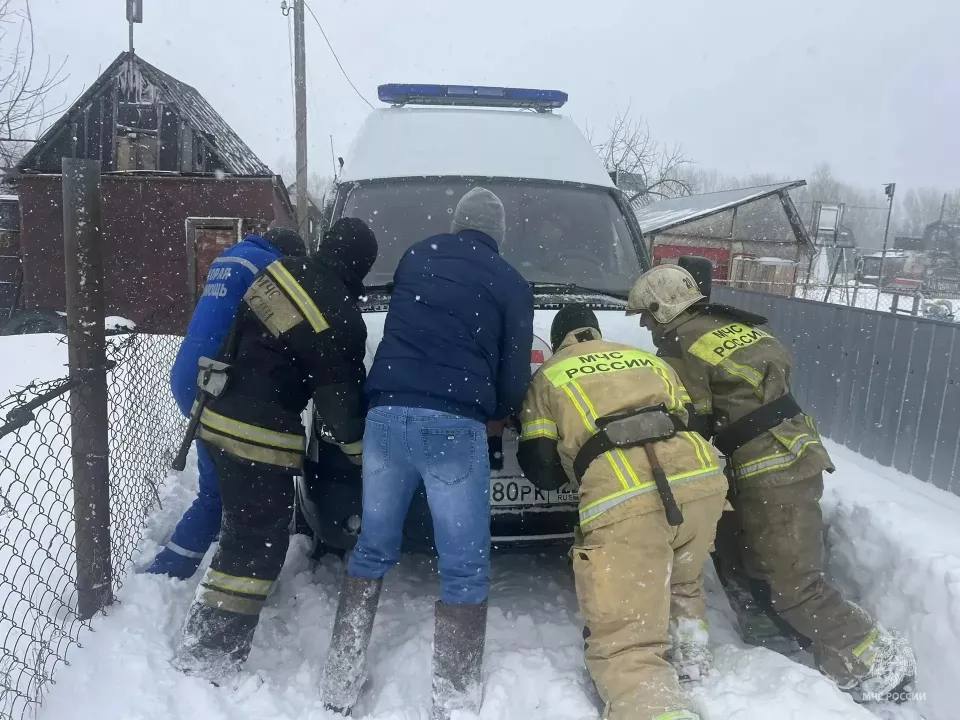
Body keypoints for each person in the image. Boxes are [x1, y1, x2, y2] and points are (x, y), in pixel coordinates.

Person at [626, 264, 917, 702]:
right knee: (739, 549)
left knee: (796, 585)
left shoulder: (680, 342)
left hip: (771, 470)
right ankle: (779, 635)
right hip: (796, 451)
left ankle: (884, 662)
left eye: (645, 316)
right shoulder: (733, 324)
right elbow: (773, 373)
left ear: (661, 307)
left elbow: (692, 421)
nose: (645, 325)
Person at [320, 187, 533, 719]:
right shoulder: (510, 281)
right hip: (453, 426)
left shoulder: (419, 255)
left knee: (373, 547)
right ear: (498, 234)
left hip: (387, 416)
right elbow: (512, 377)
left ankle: (339, 682)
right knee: (463, 565)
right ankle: (454, 699)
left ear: (458, 224)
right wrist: (503, 407)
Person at [173, 218, 377, 681]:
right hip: (258, 436)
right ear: (361, 267)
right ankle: (209, 655)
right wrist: (365, 458)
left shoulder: (280, 273)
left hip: (217, 413)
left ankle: (208, 640)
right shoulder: (342, 317)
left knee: (241, 529)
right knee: (256, 544)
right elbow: (341, 409)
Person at [516, 304, 726, 720]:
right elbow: (695, 420)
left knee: (627, 638)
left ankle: (655, 710)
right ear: (595, 332)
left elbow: (540, 467)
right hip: (702, 480)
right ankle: (692, 660)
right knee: (682, 580)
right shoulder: (647, 359)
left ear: (560, 340)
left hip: (624, 496)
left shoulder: (550, 374)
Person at [148, 227, 306, 579]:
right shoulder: (270, 266)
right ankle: (171, 567)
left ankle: (213, 529)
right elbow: (288, 321)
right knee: (216, 488)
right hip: (213, 383)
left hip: (191, 370)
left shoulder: (232, 258)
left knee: (221, 469)